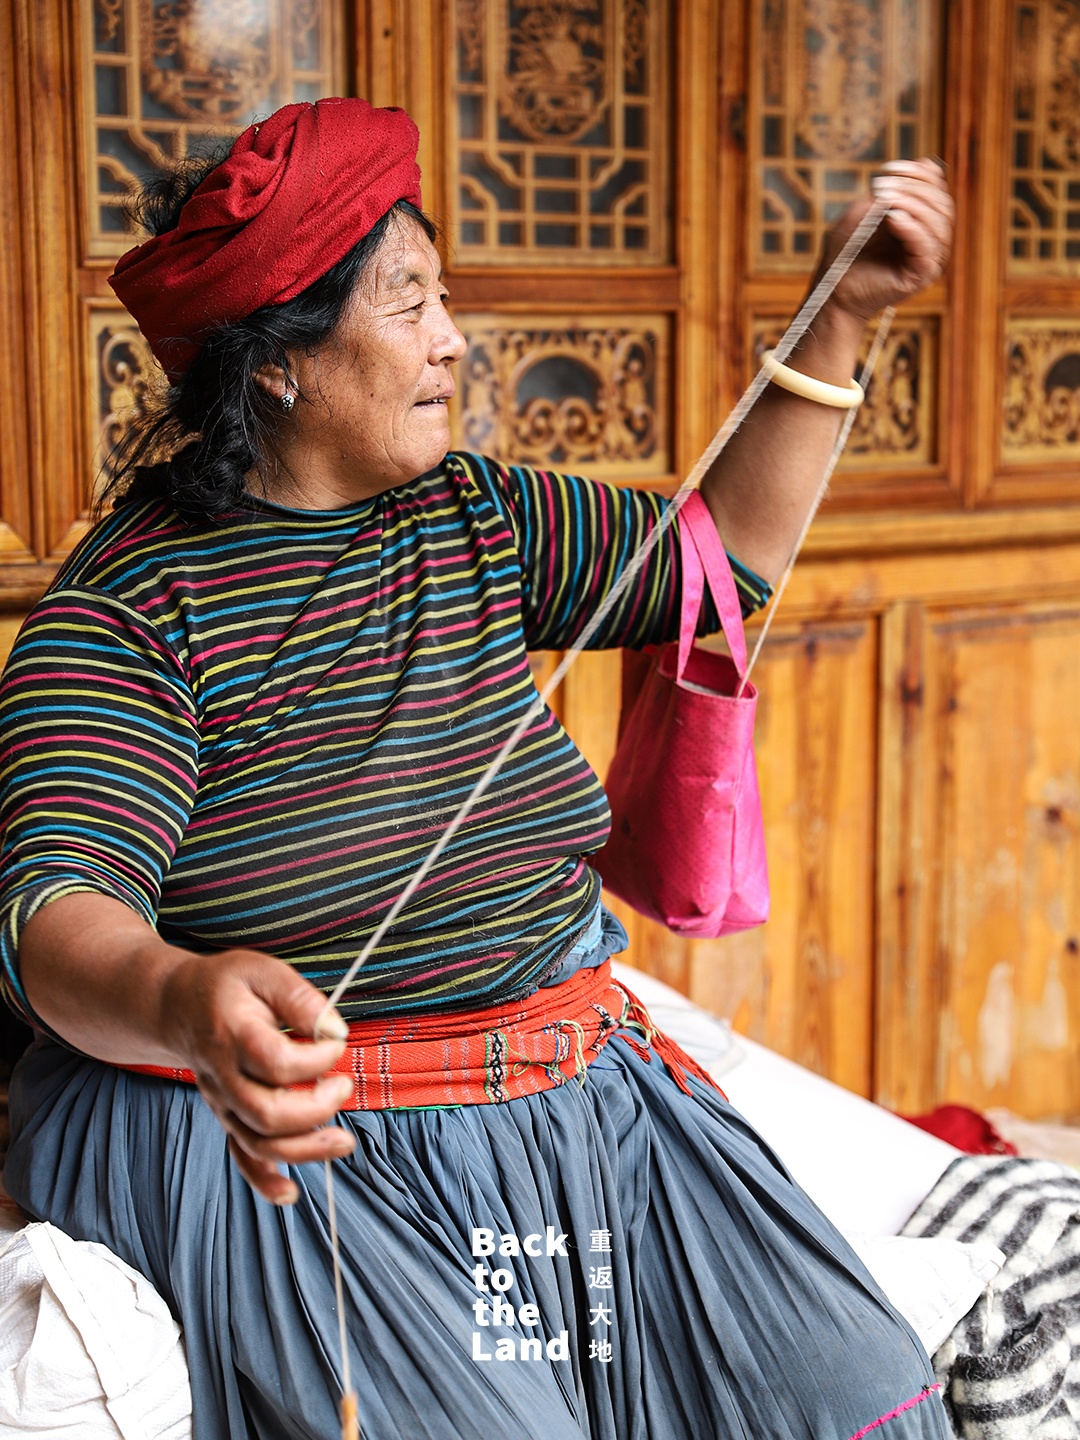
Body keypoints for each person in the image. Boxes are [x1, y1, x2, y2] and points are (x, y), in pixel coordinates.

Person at [0, 98, 954, 1439]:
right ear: (275, 365)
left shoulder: (477, 517)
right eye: (408, 306)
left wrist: (841, 318)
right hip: (303, 1149)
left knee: (866, 1412)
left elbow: (719, 572)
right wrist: (187, 999)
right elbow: (58, 916)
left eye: (444, 297)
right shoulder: (133, 610)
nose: (453, 340)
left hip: (580, 1099)